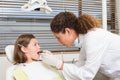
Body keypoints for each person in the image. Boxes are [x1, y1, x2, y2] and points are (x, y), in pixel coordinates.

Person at [41, 12, 120, 80]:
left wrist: (58, 64)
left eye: (58, 37)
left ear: (67, 31)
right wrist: (54, 62)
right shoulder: (85, 41)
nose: (59, 42)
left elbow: (86, 75)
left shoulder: (93, 38)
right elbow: (79, 67)